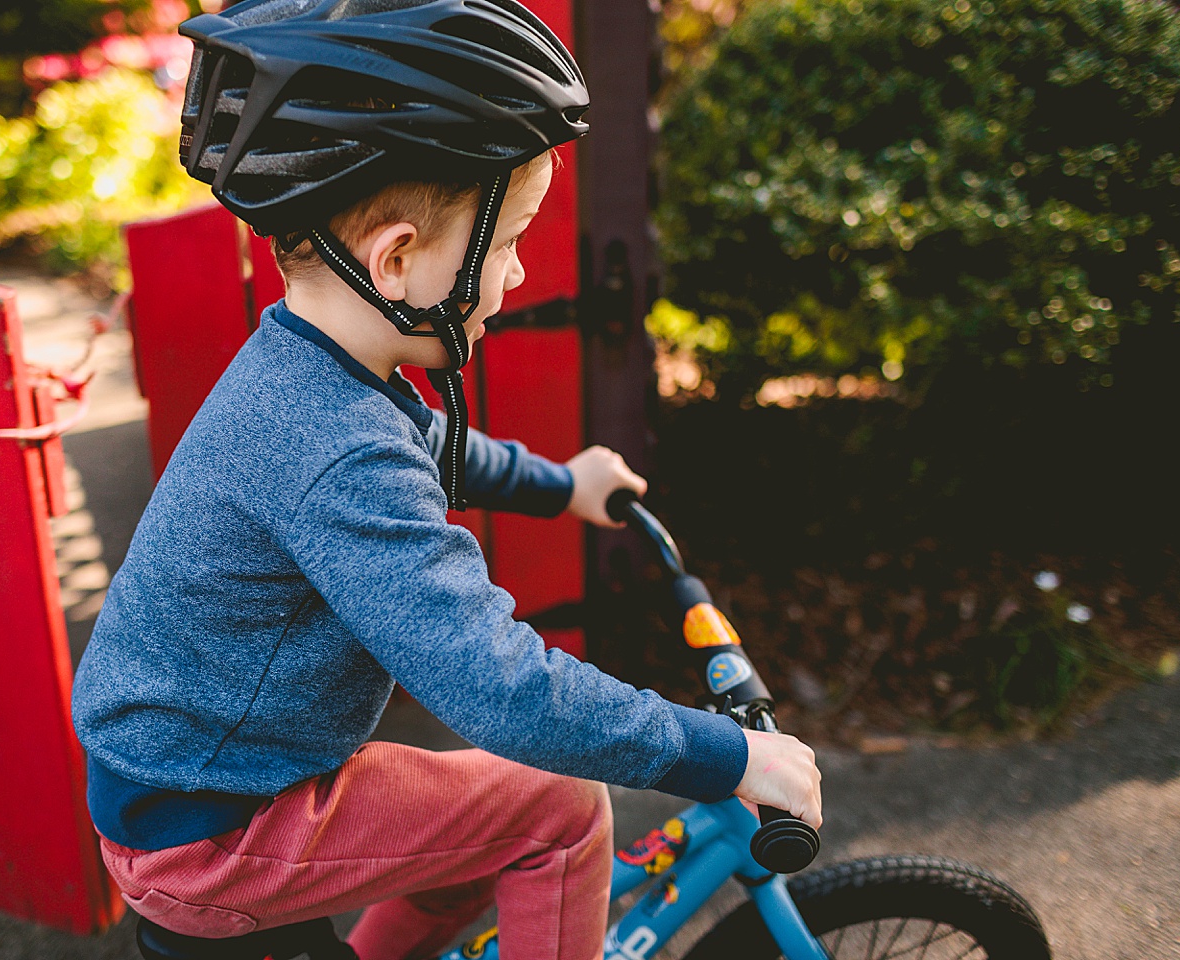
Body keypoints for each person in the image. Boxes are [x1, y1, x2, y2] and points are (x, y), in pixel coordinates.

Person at [70, 1, 822, 958]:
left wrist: (564, 483)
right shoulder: (337, 446)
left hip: (191, 785)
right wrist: (726, 754)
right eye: (505, 243)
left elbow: (436, 451)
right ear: (396, 261)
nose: (512, 277)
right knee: (558, 809)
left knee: (483, 823)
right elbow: (500, 688)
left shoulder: (307, 368)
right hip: (221, 835)